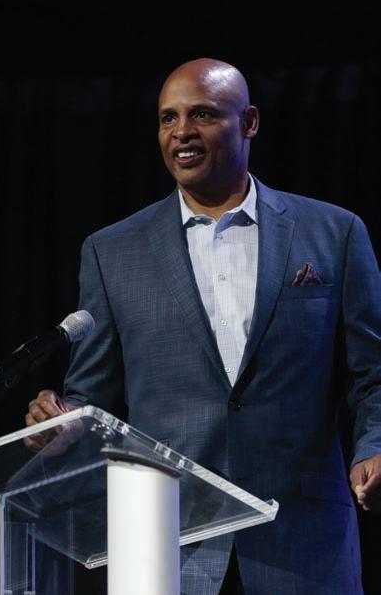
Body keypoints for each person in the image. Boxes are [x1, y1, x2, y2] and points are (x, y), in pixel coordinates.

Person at [25, 58, 381, 594]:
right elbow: (90, 396)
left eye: (203, 114)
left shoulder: (334, 232)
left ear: (250, 122)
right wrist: (61, 425)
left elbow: (373, 374)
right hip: (169, 545)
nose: (182, 131)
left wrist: (375, 445)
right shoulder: (112, 251)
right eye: (168, 118)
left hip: (302, 542)